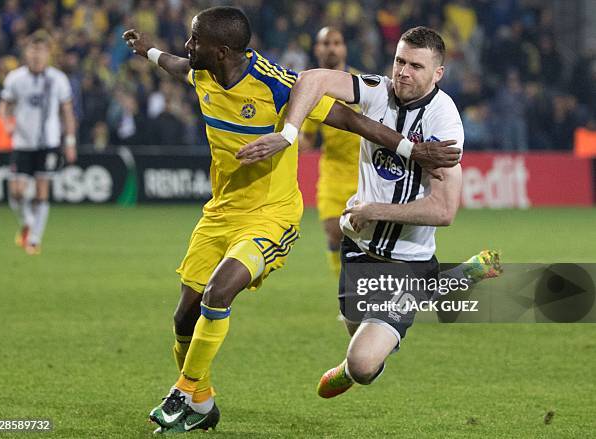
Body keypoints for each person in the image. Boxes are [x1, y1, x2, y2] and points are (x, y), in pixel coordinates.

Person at [123, 7, 460, 433]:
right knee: (183, 318)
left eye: (195, 40)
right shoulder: (202, 72)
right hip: (220, 212)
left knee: (219, 290)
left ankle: (183, 389)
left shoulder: (273, 85)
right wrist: (146, 51)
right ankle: (203, 399)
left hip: (272, 215)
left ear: (222, 49)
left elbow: (348, 119)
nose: (188, 47)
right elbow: (175, 64)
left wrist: (411, 150)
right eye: (400, 61)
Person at [239, 26, 493, 399]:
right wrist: (289, 134)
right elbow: (311, 79)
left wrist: (374, 210)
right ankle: (451, 280)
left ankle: (431, 287)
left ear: (438, 73)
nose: (403, 72)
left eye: (416, 66)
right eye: (399, 61)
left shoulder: (444, 122)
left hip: (407, 261)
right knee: (357, 332)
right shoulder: (378, 91)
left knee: (359, 364)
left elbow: (444, 210)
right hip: (358, 250)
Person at [0, 29, 77, 255]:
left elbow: (67, 112)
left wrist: (69, 141)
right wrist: (6, 122)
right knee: (17, 192)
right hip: (22, 142)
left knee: (42, 191)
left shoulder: (58, 80)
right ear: (26, 52)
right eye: (33, 50)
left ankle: (33, 239)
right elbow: (4, 106)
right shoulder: (15, 78)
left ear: (48, 54)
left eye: (41, 51)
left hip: (48, 142)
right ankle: (29, 223)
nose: (36, 55)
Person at [299, 26, 362, 276]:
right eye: (326, 43)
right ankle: (346, 296)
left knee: (366, 241)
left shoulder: (360, 84)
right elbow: (307, 138)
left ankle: (367, 294)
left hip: (364, 174)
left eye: (336, 42)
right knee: (334, 233)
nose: (332, 48)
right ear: (317, 49)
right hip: (334, 173)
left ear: (344, 47)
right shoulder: (312, 89)